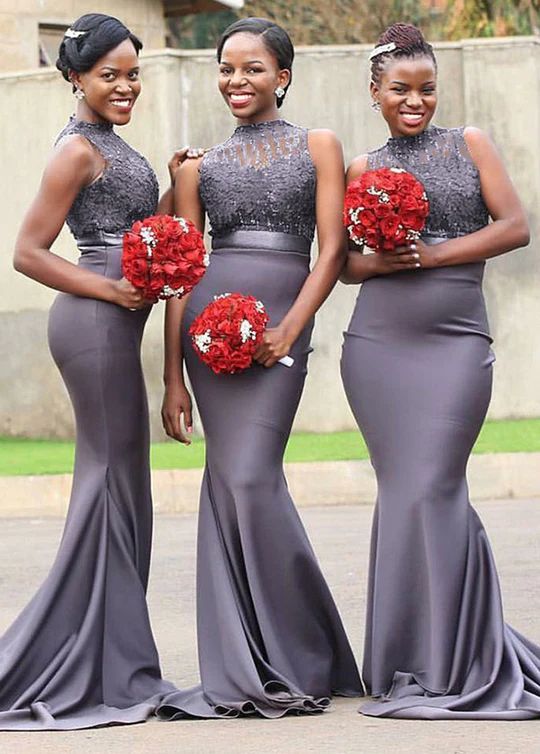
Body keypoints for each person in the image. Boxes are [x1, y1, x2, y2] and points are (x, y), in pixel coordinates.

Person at [158, 17, 363, 719]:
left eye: (252, 68)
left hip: (283, 320)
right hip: (208, 334)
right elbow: (182, 274)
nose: (236, 81)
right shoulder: (197, 165)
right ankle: (252, 657)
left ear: (283, 75)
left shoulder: (320, 145)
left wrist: (290, 329)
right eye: (226, 69)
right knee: (230, 480)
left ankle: (301, 651)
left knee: (249, 477)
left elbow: (332, 250)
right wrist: (171, 378)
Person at [341, 22, 540, 719]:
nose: (415, 100)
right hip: (377, 347)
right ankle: (407, 657)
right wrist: (390, 257)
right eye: (400, 89)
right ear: (375, 93)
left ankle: (464, 654)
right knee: (404, 492)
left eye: (426, 88)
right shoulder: (362, 168)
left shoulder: (470, 143)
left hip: (456, 341)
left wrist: (432, 254)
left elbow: (514, 225)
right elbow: (344, 268)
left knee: (435, 485)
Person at [1, 13, 193, 729]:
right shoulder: (77, 151)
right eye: (108, 75)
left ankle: (112, 654)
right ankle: (96, 663)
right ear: (76, 78)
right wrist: (111, 289)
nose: (124, 86)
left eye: (132, 73)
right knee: (110, 485)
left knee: (123, 487)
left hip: (113, 321)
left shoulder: (109, 143)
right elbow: (27, 251)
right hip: (92, 323)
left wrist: (174, 186)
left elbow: (141, 231)